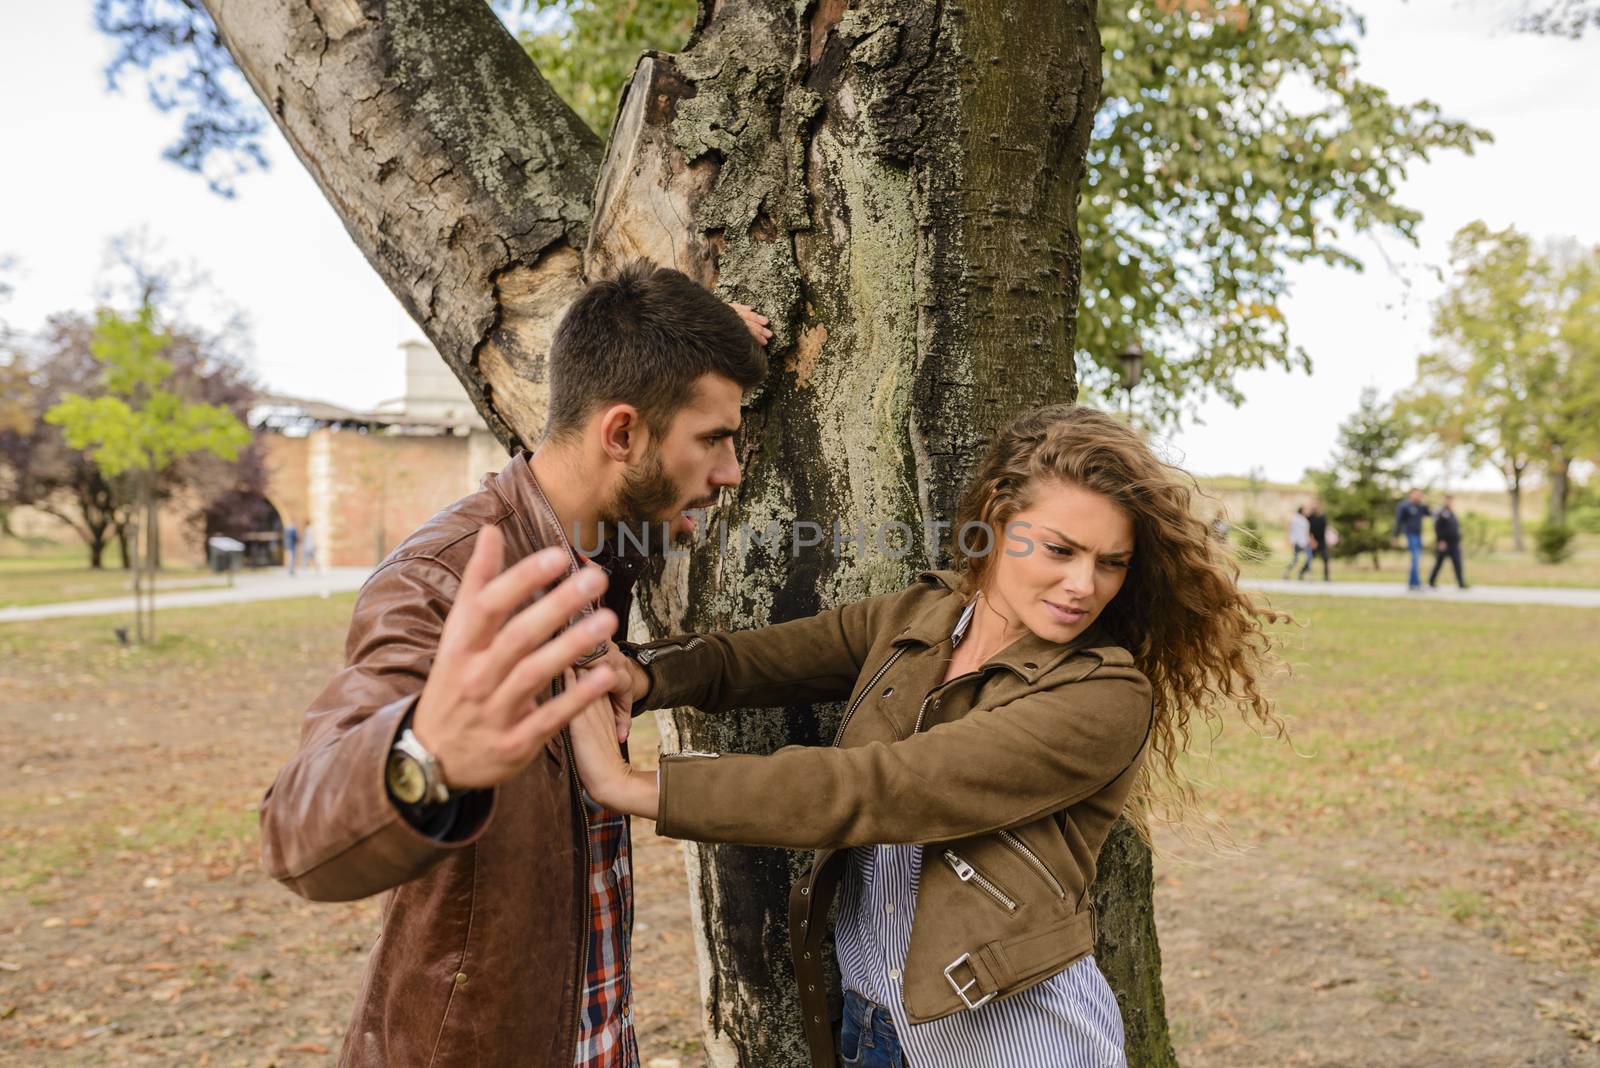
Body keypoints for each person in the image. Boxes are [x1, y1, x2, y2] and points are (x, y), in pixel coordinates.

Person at [570, 404, 1283, 1068]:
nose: (1083, 585)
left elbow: (885, 789)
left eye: (1110, 563)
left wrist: (638, 786)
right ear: (999, 522)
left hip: (1010, 1035)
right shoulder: (925, 616)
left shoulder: (1101, 695)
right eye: (1061, 550)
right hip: (873, 1020)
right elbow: (755, 659)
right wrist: (642, 676)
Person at [257, 261, 770, 1068]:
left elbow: (604, 426)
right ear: (623, 434)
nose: (732, 472)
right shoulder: (444, 577)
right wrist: (424, 757)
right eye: (713, 440)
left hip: (597, 1033)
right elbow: (294, 836)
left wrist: (704, 328)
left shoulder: (602, 536)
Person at [1392, 489, 1432, 591]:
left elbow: (1429, 514)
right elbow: (1398, 521)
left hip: (1418, 535)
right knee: (1415, 557)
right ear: (1410, 494)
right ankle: (1416, 583)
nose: (1417, 496)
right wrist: (1395, 536)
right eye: (1416, 494)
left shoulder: (1420, 506)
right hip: (1410, 535)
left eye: (1419, 494)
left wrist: (1424, 503)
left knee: (1416, 559)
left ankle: (1412, 583)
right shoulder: (1404, 506)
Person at [1428, 493, 1468, 589]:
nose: (1450, 502)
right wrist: (1441, 541)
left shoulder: (1452, 513)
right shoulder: (1441, 512)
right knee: (1438, 563)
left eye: (1451, 500)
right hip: (1444, 543)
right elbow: (1437, 528)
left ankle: (1461, 583)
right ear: (1445, 501)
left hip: (1454, 543)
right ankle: (1431, 582)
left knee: (1458, 563)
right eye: (1448, 500)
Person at [1299, 501, 1330, 582]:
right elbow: (1307, 529)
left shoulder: (1323, 517)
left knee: (1325, 558)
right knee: (1309, 558)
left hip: (1322, 541)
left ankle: (1326, 577)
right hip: (1313, 541)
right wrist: (1312, 540)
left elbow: (1325, 529)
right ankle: (1301, 572)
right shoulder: (1310, 518)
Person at [1283, 505, 1311, 579]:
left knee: (1306, 558)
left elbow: (1305, 533)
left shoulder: (1304, 520)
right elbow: (1289, 527)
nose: (1307, 512)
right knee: (1299, 559)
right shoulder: (1296, 519)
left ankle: (1300, 573)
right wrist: (1288, 539)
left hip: (1303, 542)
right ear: (1302, 511)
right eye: (1306, 510)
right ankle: (1290, 573)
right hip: (1298, 542)